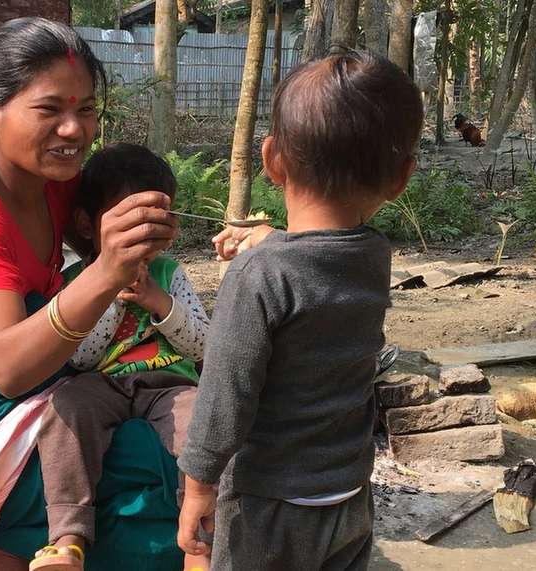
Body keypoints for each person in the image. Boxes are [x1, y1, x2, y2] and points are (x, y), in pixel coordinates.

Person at [0, 18, 181, 571]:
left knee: (188, 439)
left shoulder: (55, 184)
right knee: (171, 469)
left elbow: (117, 228)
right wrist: (107, 270)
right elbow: (7, 369)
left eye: (87, 109)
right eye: (49, 110)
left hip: (49, 396)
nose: (74, 130)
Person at [177, 50, 424, 570]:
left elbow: (226, 394)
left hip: (269, 505)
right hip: (347, 495)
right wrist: (274, 241)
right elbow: (321, 257)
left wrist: (198, 485)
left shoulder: (258, 276)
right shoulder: (372, 255)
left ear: (271, 160)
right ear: (401, 177)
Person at [30, 143, 210, 571]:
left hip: (169, 382)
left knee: (205, 419)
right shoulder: (75, 282)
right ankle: (68, 537)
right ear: (87, 224)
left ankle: (201, 543)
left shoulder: (170, 273)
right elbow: (82, 358)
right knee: (64, 408)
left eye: (156, 225)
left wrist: (158, 302)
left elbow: (203, 345)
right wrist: (108, 291)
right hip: (101, 383)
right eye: (130, 225)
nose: (143, 238)